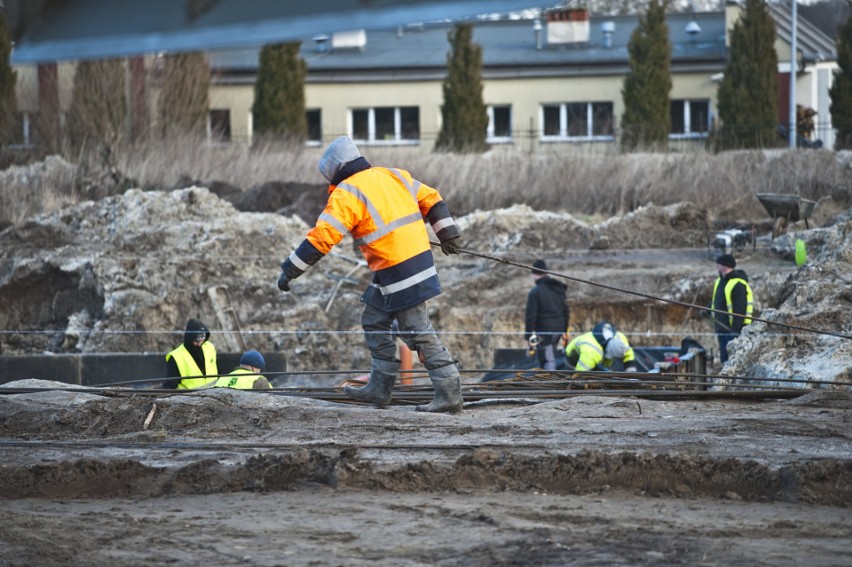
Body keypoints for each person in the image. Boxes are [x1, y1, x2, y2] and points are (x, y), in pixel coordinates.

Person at [276, 136, 463, 413]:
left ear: (333, 170)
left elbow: (322, 238)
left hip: (398, 269)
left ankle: (448, 392)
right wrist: (448, 233)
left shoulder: (346, 193)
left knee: (417, 330)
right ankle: (380, 388)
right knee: (374, 318)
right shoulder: (394, 175)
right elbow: (431, 198)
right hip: (409, 265)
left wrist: (289, 270)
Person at [524, 259, 570, 370]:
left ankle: (549, 383)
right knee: (549, 353)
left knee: (547, 357)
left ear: (534, 274)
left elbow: (530, 316)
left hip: (545, 330)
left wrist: (528, 336)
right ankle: (547, 379)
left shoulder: (535, 292)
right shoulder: (558, 289)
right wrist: (565, 330)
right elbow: (566, 310)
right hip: (559, 328)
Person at [710, 253, 753, 364]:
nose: (716, 267)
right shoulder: (720, 281)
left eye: (718, 264)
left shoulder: (738, 284)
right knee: (724, 359)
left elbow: (740, 309)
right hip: (721, 329)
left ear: (725, 266)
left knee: (733, 361)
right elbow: (718, 301)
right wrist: (707, 309)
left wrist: (735, 331)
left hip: (733, 331)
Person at [163, 318, 219, 389]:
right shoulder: (176, 357)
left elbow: (218, 373)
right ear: (189, 338)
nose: (199, 344)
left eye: (202, 341)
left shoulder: (210, 348)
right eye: (196, 341)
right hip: (188, 399)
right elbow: (169, 387)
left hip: (214, 398)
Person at [564, 321, 637, 372]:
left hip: (595, 356)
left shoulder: (620, 338)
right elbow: (579, 374)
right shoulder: (591, 352)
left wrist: (631, 373)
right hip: (573, 357)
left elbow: (628, 353)